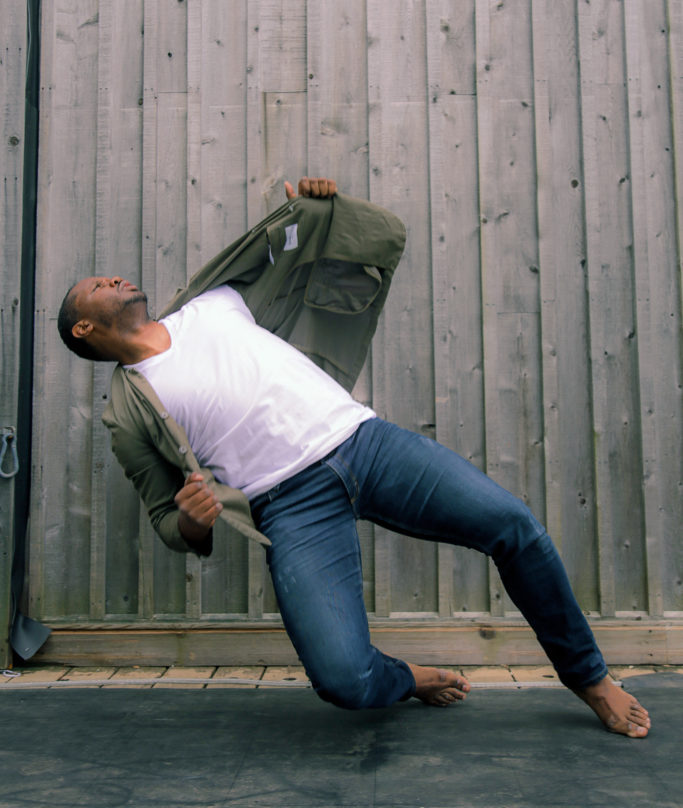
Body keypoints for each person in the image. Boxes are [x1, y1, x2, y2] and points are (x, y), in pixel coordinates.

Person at [58, 177, 650, 737]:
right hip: (289, 504)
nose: (113, 279)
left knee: (514, 527)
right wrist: (192, 517)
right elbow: (167, 519)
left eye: (110, 276)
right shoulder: (128, 410)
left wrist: (312, 207)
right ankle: (407, 678)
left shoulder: (212, 302)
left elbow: (297, 245)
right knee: (344, 681)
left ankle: (590, 680)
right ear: (84, 325)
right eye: (97, 287)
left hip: (365, 444)